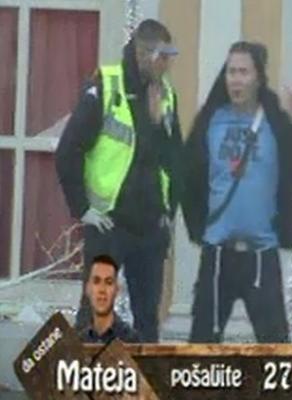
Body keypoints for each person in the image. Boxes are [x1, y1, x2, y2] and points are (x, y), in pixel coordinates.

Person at [182, 41, 292, 343]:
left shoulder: (276, 120)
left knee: (275, 350)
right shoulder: (211, 119)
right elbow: (187, 178)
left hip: (262, 255)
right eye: (231, 72)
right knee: (200, 348)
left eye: (243, 72)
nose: (236, 80)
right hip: (218, 254)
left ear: (258, 77)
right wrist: (198, 229)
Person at [56, 19, 182, 342]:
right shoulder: (106, 86)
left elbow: (174, 161)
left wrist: (168, 213)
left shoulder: (166, 95)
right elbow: (69, 149)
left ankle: (145, 374)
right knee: (94, 315)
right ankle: (82, 372)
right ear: (143, 54)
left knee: (147, 320)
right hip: (110, 224)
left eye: (170, 57)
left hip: (150, 227)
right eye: (162, 57)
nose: (167, 65)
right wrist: (83, 208)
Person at [78, 254, 140, 344]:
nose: (102, 290)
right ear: (87, 289)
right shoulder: (79, 342)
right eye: (96, 281)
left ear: (116, 290)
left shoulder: (130, 340)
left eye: (108, 282)